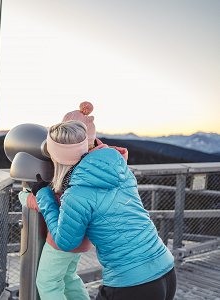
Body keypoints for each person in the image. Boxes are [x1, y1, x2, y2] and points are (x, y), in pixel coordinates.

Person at [32, 120, 176, 300]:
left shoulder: (76, 194)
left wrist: (44, 196)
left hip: (132, 284)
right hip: (166, 270)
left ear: (57, 158)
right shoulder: (119, 168)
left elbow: (65, 241)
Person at [18, 102, 128, 300]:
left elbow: (53, 201)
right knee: (68, 277)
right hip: (83, 236)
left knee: (48, 282)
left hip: (63, 236)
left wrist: (27, 197)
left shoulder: (73, 172)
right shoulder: (99, 162)